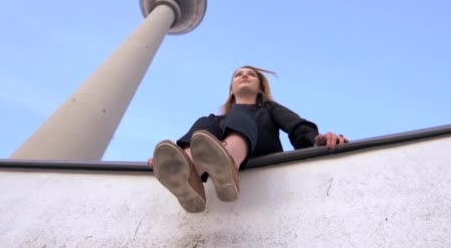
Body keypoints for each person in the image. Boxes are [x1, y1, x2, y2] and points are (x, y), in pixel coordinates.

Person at [147, 65, 349, 213]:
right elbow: (204, 134)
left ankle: (228, 161)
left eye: (250, 74)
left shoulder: (269, 109)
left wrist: (316, 141)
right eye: (238, 75)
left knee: (239, 113)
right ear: (231, 89)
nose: (244, 76)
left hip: (260, 150)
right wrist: (165, 162)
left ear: (260, 88)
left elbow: (297, 128)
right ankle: (184, 171)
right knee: (206, 122)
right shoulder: (215, 122)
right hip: (212, 150)